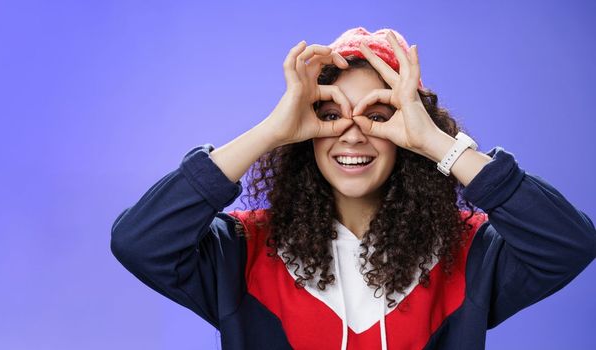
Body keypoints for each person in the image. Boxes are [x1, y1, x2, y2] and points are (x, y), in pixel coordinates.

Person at [109, 27, 596, 350]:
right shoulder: (244, 249)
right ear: (305, 131)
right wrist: (269, 132)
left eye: (379, 116)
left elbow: (568, 243)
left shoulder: (466, 251)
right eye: (329, 115)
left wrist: (439, 145)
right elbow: (140, 241)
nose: (353, 132)